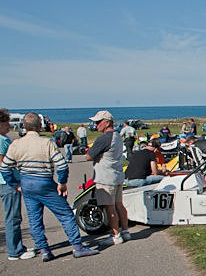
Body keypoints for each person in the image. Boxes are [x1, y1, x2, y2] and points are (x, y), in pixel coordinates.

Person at [0, 113, 98, 261]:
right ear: (40, 126)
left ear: (24, 126)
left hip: (26, 182)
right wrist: (62, 183)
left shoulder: (16, 144)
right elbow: (61, 165)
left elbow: (5, 167)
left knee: (34, 219)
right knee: (65, 214)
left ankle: (44, 250)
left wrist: (15, 184)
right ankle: (77, 246)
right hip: (44, 181)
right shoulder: (46, 143)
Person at [86, 110, 130, 245]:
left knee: (109, 207)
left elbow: (89, 156)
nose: (96, 125)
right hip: (116, 175)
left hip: (105, 177)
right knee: (119, 205)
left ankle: (116, 235)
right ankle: (125, 231)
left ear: (107, 123)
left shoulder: (104, 138)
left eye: (98, 122)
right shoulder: (117, 136)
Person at [0, 108, 36, 260]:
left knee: (14, 216)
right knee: (13, 217)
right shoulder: (1, 140)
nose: (9, 125)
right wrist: (14, 182)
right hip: (8, 183)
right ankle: (15, 251)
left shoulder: (4, 139)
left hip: (9, 182)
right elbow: (3, 164)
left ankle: (17, 246)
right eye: (6, 123)